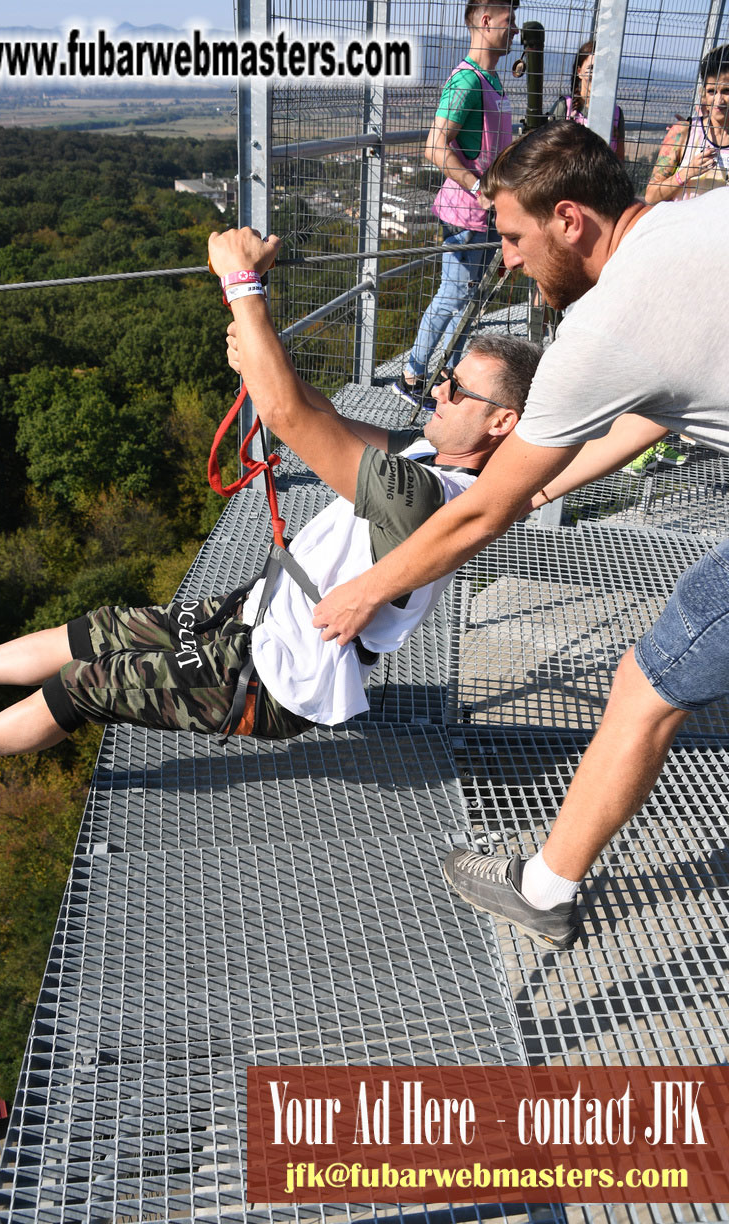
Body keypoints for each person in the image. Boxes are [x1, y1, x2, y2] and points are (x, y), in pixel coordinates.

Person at [0, 228, 541, 794]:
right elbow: (320, 416)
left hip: (274, 675)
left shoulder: (427, 499)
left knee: (89, 683)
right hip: (260, 616)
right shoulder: (429, 453)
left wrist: (243, 284)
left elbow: (289, 418)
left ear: (500, 423)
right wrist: (262, 355)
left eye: (459, 388)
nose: (439, 387)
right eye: (447, 375)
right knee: (102, 631)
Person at [311, 121, 729, 951]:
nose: (504, 261)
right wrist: (547, 483)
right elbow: (661, 403)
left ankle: (542, 890)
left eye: (511, 236)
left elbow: (478, 512)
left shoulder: (606, 327)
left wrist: (366, 590)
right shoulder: (700, 219)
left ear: (569, 219)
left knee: (649, 685)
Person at [391, 0, 518, 411]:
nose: (515, 30)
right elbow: (434, 145)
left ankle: (447, 377)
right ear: (486, 21)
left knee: (469, 300)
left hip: (485, 214)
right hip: (466, 213)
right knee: (453, 295)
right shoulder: (466, 81)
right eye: (509, 21)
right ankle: (412, 375)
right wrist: (478, 186)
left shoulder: (491, 80)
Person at [645, 43, 729, 204]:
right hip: (682, 219)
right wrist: (688, 172)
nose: (719, 100)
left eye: (726, 91)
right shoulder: (684, 133)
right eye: (712, 91)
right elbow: (651, 195)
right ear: (703, 94)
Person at [547, 39, 625, 161]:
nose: (597, 75)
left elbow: (619, 159)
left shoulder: (616, 114)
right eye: (591, 68)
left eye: (602, 69)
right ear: (579, 71)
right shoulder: (564, 107)